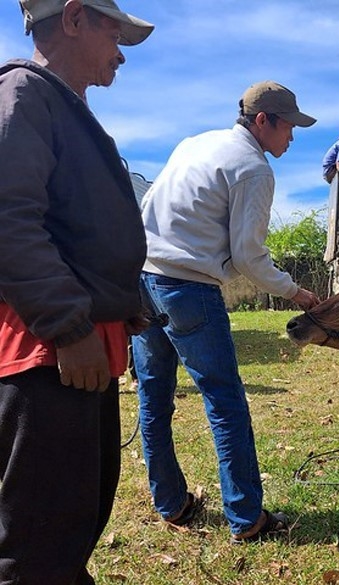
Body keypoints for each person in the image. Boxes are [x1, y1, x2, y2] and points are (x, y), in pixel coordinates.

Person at [0, 1, 153, 582]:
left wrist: (122, 302)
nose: (120, 49)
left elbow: (78, 228)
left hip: (84, 342)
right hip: (49, 352)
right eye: (112, 28)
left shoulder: (66, 109)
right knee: (38, 539)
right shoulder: (24, 93)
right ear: (71, 19)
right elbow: (9, 218)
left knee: (74, 518)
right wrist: (68, 324)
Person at [132, 80, 320, 544]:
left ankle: (171, 503)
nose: (292, 137)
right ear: (263, 121)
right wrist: (297, 293)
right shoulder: (253, 168)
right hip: (189, 289)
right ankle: (246, 517)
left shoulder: (194, 143)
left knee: (154, 399)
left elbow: (149, 207)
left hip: (142, 282)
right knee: (225, 402)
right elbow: (248, 257)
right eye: (289, 126)